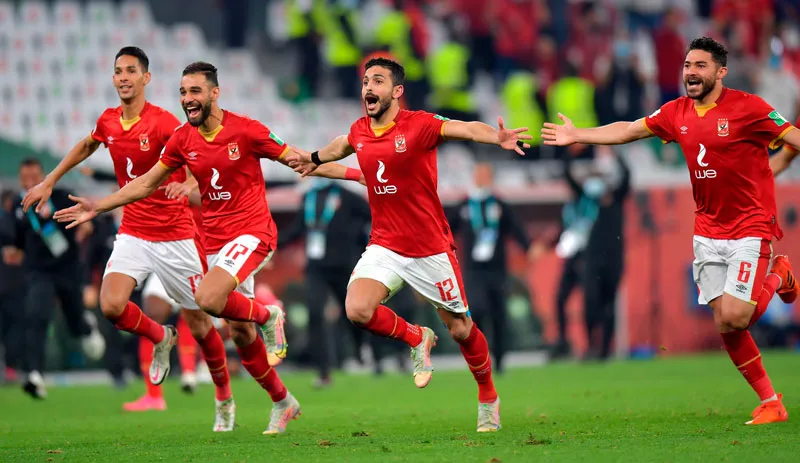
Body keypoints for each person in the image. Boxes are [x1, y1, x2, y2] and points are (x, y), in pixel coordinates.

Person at [54, 61, 363, 434]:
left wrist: (357, 173)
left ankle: (269, 316)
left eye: (195, 92)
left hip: (252, 233)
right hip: (216, 242)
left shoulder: (247, 131)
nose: (188, 99)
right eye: (183, 93)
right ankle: (283, 401)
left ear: (215, 93)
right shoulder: (184, 139)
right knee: (240, 333)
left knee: (208, 299)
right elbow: (146, 183)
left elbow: (300, 160)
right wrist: (99, 205)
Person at [541, 37, 800, 425]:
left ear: (720, 71)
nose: (690, 72)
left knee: (737, 317)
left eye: (700, 65)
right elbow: (629, 130)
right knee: (725, 324)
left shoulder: (750, 108)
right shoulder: (675, 112)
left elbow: (793, 137)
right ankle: (771, 403)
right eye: (686, 65)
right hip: (707, 230)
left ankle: (779, 272)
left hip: (750, 226)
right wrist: (580, 135)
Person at [287, 57, 532, 432]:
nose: (368, 87)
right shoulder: (360, 131)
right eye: (366, 81)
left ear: (397, 91)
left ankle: (488, 396)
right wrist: (312, 158)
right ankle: (417, 337)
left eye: (378, 81)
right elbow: (342, 147)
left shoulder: (419, 125)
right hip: (385, 245)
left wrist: (495, 137)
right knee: (357, 309)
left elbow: (464, 129)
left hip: (430, 247)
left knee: (462, 330)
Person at [22, 48, 236, 428]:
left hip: (175, 236)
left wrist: (187, 183)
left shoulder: (163, 122)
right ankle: (160, 337)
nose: (123, 77)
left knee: (203, 325)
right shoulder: (108, 120)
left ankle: (223, 397)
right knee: (111, 306)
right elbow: (88, 144)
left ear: (146, 78)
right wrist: (49, 179)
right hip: (134, 232)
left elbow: (197, 154)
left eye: (131, 71)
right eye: (118, 71)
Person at [6, 158, 106, 399]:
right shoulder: (18, 207)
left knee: (74, 323)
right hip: (39, 272)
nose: (30, 183)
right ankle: (35, 375)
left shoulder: (62, 196)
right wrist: (12, 251)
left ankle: (85, 326)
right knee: (36, 316)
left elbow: (87, 220)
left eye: (34, 179)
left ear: (44, 178)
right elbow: (15, 241)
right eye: (25, 179)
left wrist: (86, 227)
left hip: (68, 269)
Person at [448, 162, 535, 374]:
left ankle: (501, 360)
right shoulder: (465, 205)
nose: (481, 179)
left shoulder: (500, 205)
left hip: (497, 271)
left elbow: (516, 229)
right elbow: (447, 230)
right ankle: (479, 357)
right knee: (477, 311)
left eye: (485, 175)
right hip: (474, 271)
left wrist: (528, 247)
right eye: (478, 175)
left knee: (498, 315)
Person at [572, 153, 631, 361]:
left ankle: (606, 350)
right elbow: (569, 178)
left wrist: (614, 154)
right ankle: (591, 344)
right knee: (591, 303)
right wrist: (573, 153)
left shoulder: (617, 199)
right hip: (592, 260)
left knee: (609, 305)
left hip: (614, 261)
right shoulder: (589, 201)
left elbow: (627, 175)